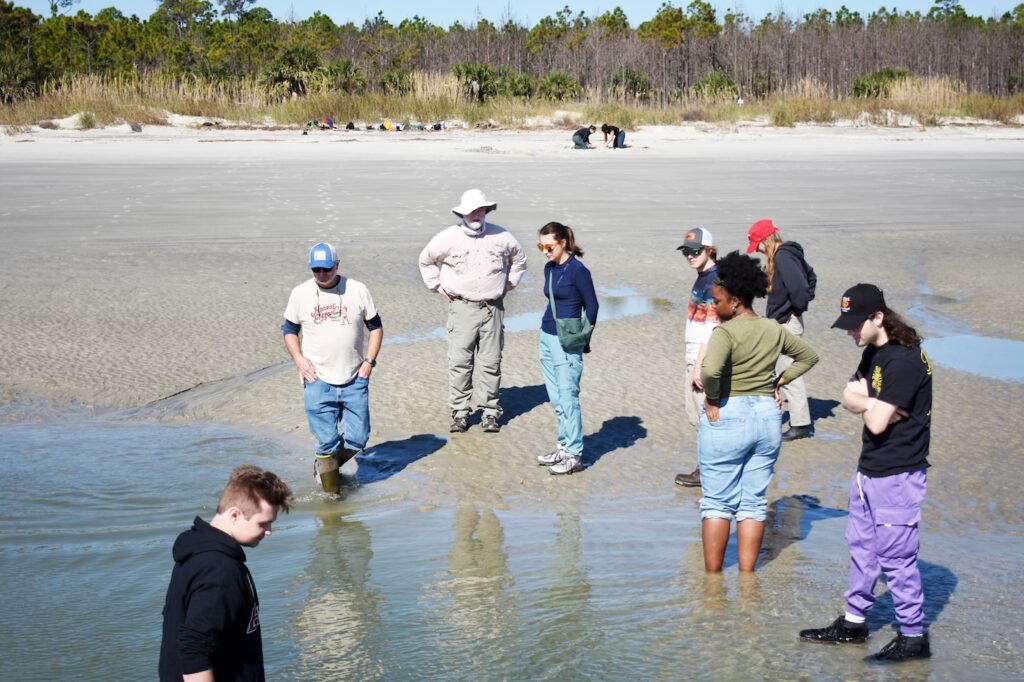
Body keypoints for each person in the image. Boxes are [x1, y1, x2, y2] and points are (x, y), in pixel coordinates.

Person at [800, 284, 933, 661]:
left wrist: (868, 404)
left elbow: (875, 424)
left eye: (855, 324)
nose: (850, 331)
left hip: (898, 474)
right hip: (868, 470)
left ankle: (913, 637)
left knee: (896, 558)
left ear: (878, 317)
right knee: (862, 549)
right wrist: (873, 401)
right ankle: (853, 623)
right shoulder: (875, 352)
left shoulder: (904, 361)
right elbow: (847, 396)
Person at [699, 251, 818, 573]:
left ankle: (713, 585)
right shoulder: (773, 328)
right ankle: (748, 581)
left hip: (728, 414)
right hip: (767, 417)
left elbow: (710, 371)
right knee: (752, 503)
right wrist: (780, 381)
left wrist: (712, 398)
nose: (714, 307)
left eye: (718, 301)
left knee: (717, 503)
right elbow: (808, 357)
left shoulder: (725, 332)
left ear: (735, 300)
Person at [159, 465, 293, 682]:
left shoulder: (197, 553)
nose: (269, 531)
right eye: (263, 523)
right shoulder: (219, 571)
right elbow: (194, 651)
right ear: (235, 514)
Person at [418, 189, 527, 433]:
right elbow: (425, 260)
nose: (476, 214)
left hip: (493, 309)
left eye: (480, 210)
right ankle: (460, 413)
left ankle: (490, 413)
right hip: (462, 308)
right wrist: (437, 286)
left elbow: (520, 260)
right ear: (463, 213)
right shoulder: (447, 237)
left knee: (491, 362)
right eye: (471, 211)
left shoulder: (502, 235)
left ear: (486, 211)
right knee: (460, 362)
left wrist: (508, 284)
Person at [282, 241, 383, 493]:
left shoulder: (357, 289)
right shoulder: (300, 293)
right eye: (316, 270)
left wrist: (369, 363)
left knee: (358, 439)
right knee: (327, 442)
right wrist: (299, 359)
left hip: (354, 376)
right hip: (317, 379)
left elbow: (376, 328)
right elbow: (289, 330)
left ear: (337, 265)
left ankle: (326, 466)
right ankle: (332, 499)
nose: (322, 274)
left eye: (327, 269)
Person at [535, 222, 599, 475]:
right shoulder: (549, 268)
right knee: (556, 398)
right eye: (541, 246)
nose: (545, 251)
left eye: (549, 246)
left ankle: (574, 454)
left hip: (567, 341)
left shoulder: (578, 271)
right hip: (546, 336)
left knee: (568, 397)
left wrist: (584, 338)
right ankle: (562, 447)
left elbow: (592, 307)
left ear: (562, 243)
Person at [747, 218, 817, 441]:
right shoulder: (784, 256)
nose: (756, 250)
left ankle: (800, 424)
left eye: (756, 245)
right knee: (779, 369)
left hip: (787, 322)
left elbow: (802, 287)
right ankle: (786, 417)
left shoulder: (784, 256)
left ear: (764, 240)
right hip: (782, 321)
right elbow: (811, 275)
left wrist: (796, 310)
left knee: (789, 372)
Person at [673, 228, 719, 488]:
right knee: (698, 416)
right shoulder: (703, 276)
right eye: (686, 252)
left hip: (703, 359)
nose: (690, 256)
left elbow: (713, 328)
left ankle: (707, 471)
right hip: (695, 356)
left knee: (705, 417)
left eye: (695, 251)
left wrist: (700, 365)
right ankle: (709, 469)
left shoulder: (714, 280)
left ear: (710, 249)